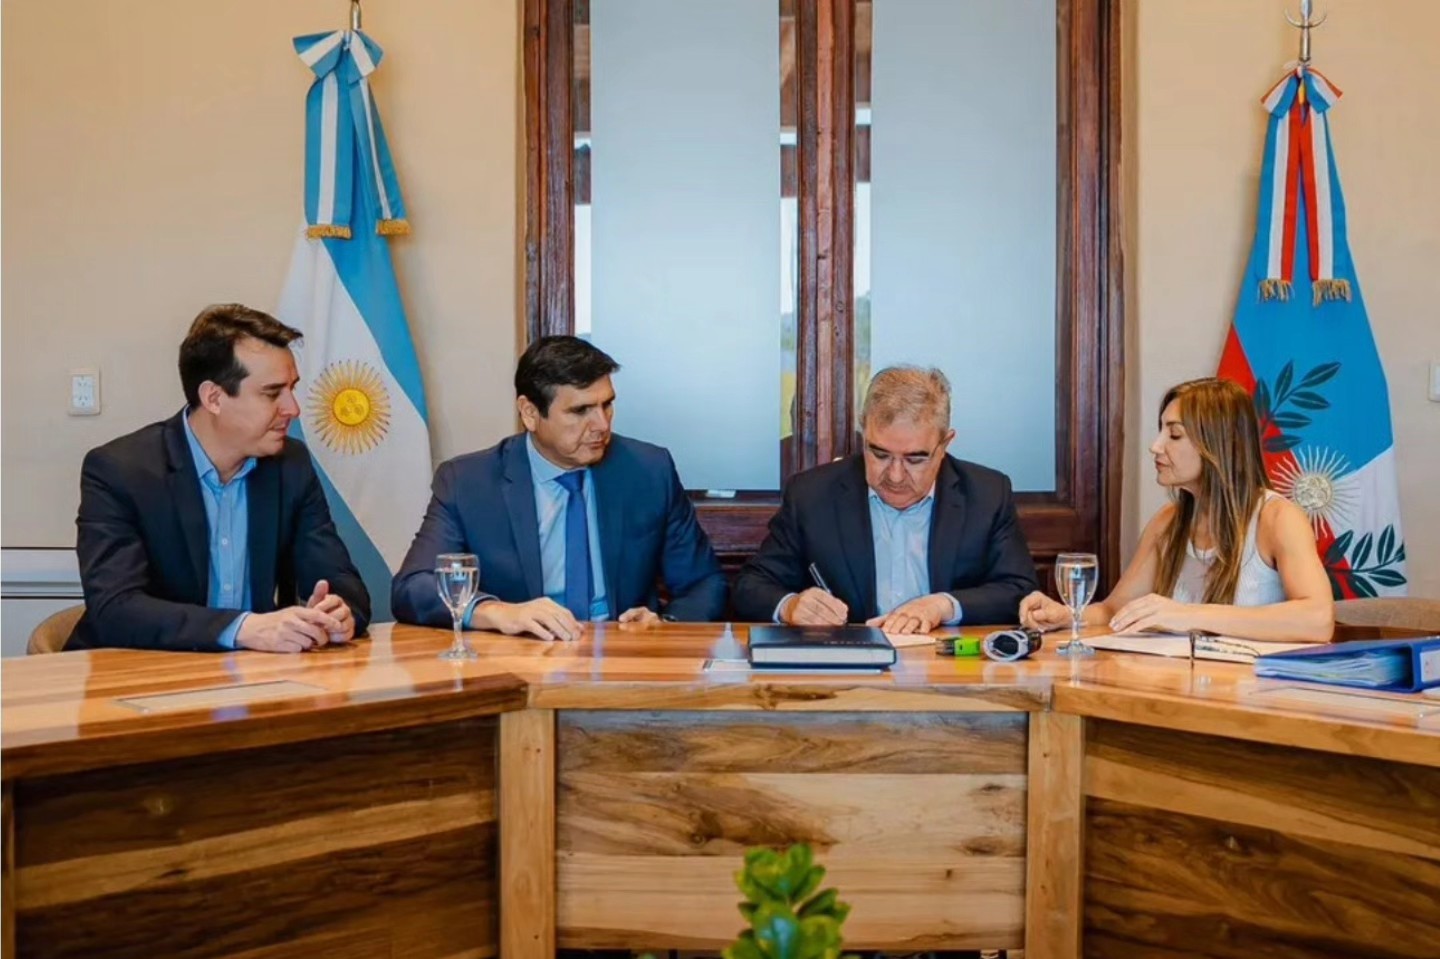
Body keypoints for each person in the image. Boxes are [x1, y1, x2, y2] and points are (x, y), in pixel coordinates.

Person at [68, 304, 369, 653]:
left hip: (256, 675)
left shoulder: (290, 465)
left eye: (292, 389)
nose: (293, 408)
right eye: (273, 393)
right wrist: (243, 628)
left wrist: (338, 612)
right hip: (136, 673)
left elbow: (341, 580)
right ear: (213, 398)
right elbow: (115, 609)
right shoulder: (119, 471)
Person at [392, 335, 727, 640]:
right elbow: (412, 587)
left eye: (607, 404)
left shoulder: (648, 470)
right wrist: (497, 612)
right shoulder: (469, 482)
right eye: (580, 411)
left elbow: (704, 582)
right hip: (520, 661)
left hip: (622, 657)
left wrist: (664, 625)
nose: (602, 425)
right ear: (530, 413)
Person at [1019, 377, 1333, 642]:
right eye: (1161, 431)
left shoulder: (1278, 518)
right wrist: (1067, 615)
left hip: (1252, 691)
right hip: (1177, 685)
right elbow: (1115, 611)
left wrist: (1189, 615)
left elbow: (1318, 620)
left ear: (1220, 443)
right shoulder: (1167, 522)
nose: (1155, 446)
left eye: (1175, 434)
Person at [733, 365, 1038, 632]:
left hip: (948, 668)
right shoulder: (813, 494)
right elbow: (751, 586)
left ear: (945, 444)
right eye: (879, 454)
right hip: (849, 667)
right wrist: (790, 606)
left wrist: (943, 606)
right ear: (863, 432)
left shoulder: (986, 494)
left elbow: (1019, 590)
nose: (895, 475)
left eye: (915, 459)